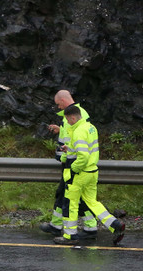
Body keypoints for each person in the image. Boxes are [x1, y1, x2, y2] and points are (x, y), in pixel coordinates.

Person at [54, 105, 125, 246]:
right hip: (92, 172)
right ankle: (114, 224)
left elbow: (83, 155)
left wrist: (73, 168)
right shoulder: (90, 127)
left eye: (68, 119)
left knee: (70, 204)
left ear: (73, 117)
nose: (67, 122)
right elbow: (86, 149)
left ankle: (69, 236)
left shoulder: (78, 131)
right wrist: (69, 149)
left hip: (80, 173)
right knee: (92, 202)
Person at [40, 90, 98, 238]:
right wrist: (60, 130)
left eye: (58, 104)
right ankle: (56, 224)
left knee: (73, 197)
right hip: (70, 161)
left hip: (75, 163)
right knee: (62, 194)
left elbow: (80, 138)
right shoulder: (73, 115)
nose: (58, 107)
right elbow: (71, 134)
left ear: (63, 100)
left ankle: (87, 228)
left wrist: (73, 164)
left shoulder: (78, 114)